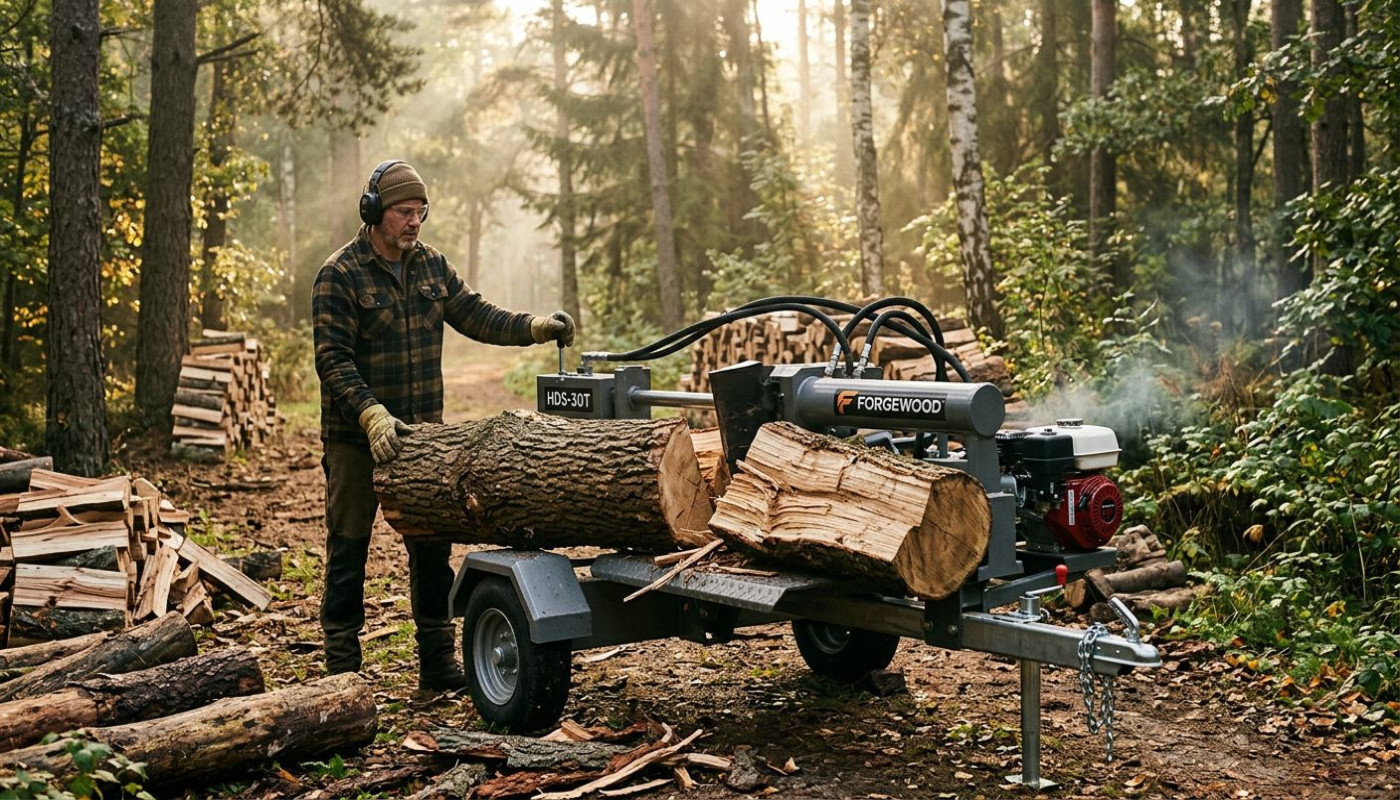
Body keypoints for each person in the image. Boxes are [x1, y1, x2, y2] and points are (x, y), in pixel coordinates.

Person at [313, 160, 574, 691]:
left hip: (423, 438)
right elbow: (333, 359)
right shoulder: (339, 274)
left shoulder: (432, 266)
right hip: (356, 439)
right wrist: (369, 412)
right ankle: (341, 672)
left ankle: (436, 661)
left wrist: (534, 327)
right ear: (373, 212)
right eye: (404, 212)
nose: (414, 222)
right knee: (349, 547)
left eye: (420, 212)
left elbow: (479, 316)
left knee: (431, 548)